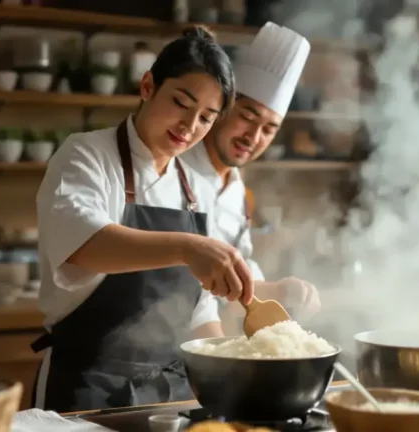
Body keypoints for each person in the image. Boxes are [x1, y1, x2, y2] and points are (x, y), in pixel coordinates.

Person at [31, 26, 253, 413]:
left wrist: (220, 371)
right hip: (87, 387)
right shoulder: (86, 156)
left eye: (206, 118)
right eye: (181, 102)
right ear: (148, 85)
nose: (189, 126)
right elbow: (84, 244)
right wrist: (188, 247)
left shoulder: (196, 190)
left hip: (172, 392)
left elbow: (199, 312)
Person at [181, 23, 321, 333]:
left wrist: (282, 291)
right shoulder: (175, 170)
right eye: (247, 116)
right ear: (221, 107)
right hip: (161, 344)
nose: (253, 137)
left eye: (269, 129)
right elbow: (182, 287)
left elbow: (234, 286)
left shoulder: (236, 188)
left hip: (203, 342)